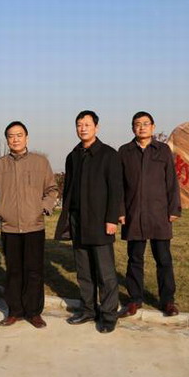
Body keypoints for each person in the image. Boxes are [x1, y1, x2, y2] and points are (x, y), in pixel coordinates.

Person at [0, 121, 58, 328]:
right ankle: (14, 311)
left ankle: (34, 312)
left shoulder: (40, 162)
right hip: (10, 227)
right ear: (7, 140)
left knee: (34, 271)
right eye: (11, 136)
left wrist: (43, 207)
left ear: (26, 137)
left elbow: (52, 189)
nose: (15, 139)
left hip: (34, 226)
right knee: (14, 271)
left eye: (19, 135)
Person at [55, 111, 124, 334]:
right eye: (79, 124)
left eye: (87, 124)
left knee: (105, 272)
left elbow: (116, 190)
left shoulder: (108, 154)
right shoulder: (73, 156)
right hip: (78, 221)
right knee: (83, 270)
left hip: (100, 221)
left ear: (96, 127)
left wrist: (112, 219)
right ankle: (88, 310)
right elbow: (68, 190)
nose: (82, 128)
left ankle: (109, 314)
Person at [118, 111, 182, 318]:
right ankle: (135, 299)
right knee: (134, 258)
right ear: (132, 128)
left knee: (163, 259)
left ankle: (167, 301)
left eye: (146, 123)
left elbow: (171, 181)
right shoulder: (125, 151)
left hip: (158, 213)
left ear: (153, 127)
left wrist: (173, 209)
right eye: (137, 124)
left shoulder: (162, 150)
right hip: (133, 213)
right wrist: (120, 211)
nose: (142, 127)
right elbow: (119, 185)